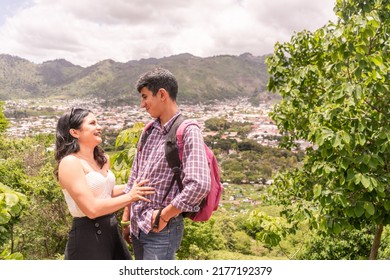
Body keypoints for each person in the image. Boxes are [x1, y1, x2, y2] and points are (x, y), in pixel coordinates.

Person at [122, 68, 211, 260]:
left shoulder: (188, 130)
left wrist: (163, 215)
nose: (142, 105)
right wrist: (126, 219)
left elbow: (200, 184)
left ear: (162, 94)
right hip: (138, 224)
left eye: (145, 97)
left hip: (162, 230)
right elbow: (135, 176)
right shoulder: (149, 130)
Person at [55, 107, 154, 260]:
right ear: (74, 132)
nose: (99, 127)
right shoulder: (70, 163)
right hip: (88, 236)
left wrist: (135, 186)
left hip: (111, 229)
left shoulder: (102, 158)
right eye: (92, 123)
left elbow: (106, 192)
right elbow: (91, 209)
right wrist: (131, 196)